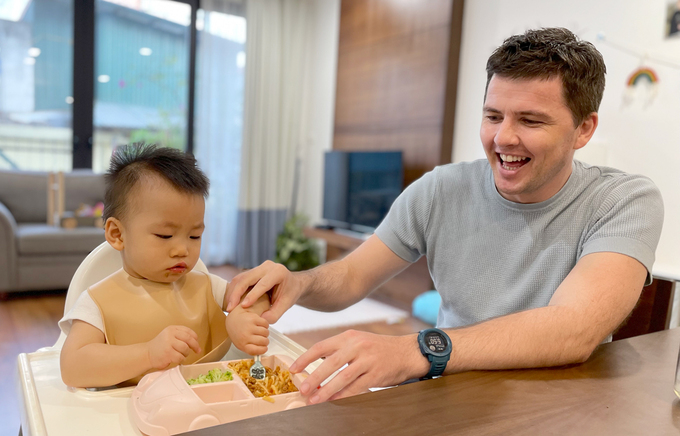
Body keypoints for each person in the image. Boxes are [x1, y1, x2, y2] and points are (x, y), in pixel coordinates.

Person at [225, 27, 664, 404]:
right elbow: (352, 276)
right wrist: (300, 283)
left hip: (558, 404)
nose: (502, 138)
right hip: (448, 396)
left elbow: (573, 329)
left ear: (584, 129)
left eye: (530, 120)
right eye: (493, 115)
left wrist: (419, 349)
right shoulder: (440, 189)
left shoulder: (623, 200)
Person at [60, 144, 270, 388]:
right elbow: (72, 367)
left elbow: (259, 295)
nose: (182, 249)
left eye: (194, 236)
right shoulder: (96, 302)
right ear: (117, 234)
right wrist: (148, 353)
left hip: (205, 395)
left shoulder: (206, 285)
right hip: (131, 411)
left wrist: (241, 318)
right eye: (164, 235)